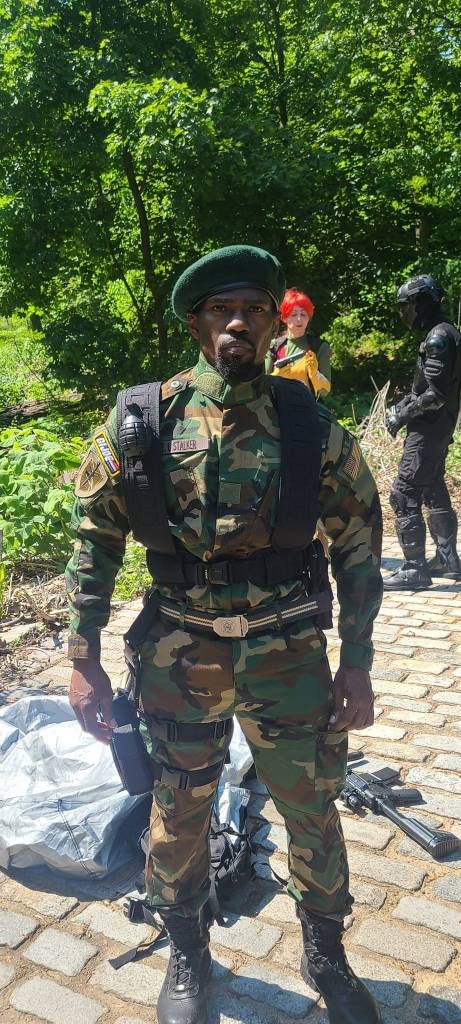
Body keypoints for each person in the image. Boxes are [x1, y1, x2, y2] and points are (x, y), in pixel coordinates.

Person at [66, 245, 383, 1024]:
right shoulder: (143, 420)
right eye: (220, 309)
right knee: (178, 809)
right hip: (179, 656)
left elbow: (358, 546)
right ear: (195, 324)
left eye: (252, 310)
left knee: (312, 809)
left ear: (275, 323)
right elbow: (94, 539)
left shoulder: (310, 426)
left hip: (288, 657)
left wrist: (357, 664)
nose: (236, 322)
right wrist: (82, 658)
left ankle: (325, 953)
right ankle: (188, 950)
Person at [385, 274, 461, 591]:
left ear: (421, 303)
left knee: (403, 493)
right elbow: (427, 388)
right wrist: (403, 405)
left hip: (429, 429)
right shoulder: (443, 332)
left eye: (405, 305)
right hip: (438, 426)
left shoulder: (438, 338)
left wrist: (401, 415)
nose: (404, 312)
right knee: (433, 487)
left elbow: (435, 395)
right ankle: (447, 560)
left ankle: (414, 568)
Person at [265, 287, 331, 399]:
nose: (299, 319)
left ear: (308, 318)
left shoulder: (319, 347)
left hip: (308, 405)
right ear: (284, 318)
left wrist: (315, 374)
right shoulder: (273, 347)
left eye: (303, 314)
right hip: (278, 406)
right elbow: (263, 389)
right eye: (294, 314)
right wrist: (275, 377)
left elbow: (325, 392)